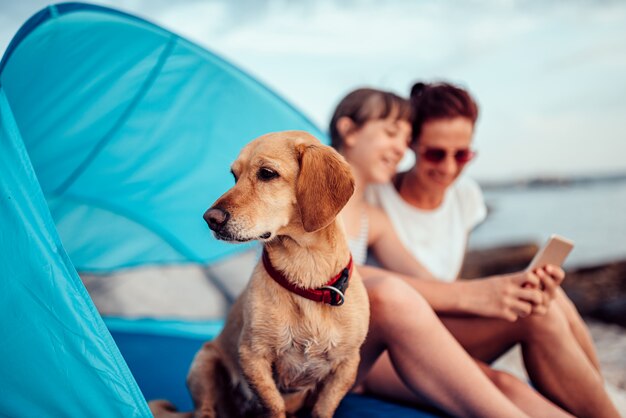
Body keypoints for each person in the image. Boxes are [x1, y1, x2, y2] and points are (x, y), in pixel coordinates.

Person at [362, 82, 620, 418]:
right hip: (393, 339)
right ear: (411, 144)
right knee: (532, 318)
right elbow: (377, 287)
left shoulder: (465, 197)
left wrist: (501, 292)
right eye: (435, 153)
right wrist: (478, 295)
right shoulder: (375, 198)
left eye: (463, 155)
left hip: (444, 322)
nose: (450, 168)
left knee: (547, 297)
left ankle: (597, 402)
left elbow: (443, 276)